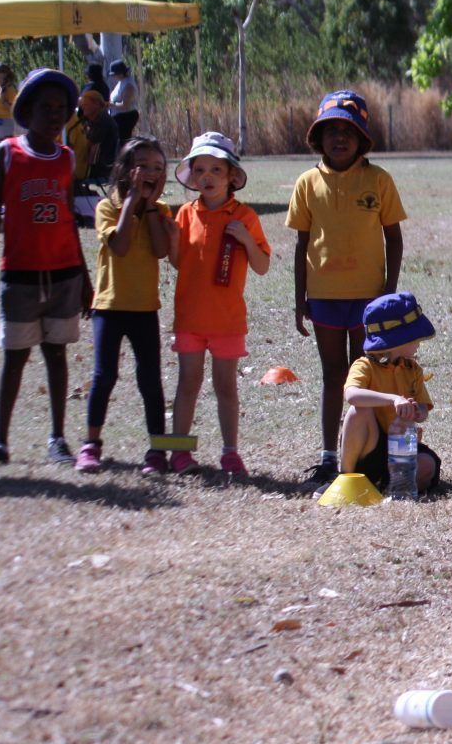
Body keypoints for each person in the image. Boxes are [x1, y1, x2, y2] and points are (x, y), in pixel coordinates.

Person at [288, 91, 406, 485]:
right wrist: (298, 299)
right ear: (317, 137)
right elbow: (301, 243)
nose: (340, 137)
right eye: (331, 130)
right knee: (332, 375)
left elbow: (395, 238)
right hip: (324, 299)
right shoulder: (307, 183)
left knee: (367, 376)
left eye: (348, 130)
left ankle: (368, 457)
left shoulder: (379, 180)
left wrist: (387, 293)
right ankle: (329, 457)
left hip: (369, 300)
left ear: (362, 138)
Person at [0, 69, 90, 465]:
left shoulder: (67, 157)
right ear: (27, 110)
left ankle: (57, 438)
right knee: (15, 357)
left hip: (63, 274)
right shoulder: (8, 152)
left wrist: (85, 277)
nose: (55, 115)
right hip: (19, 275)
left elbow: (68, 218)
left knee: (56, 355)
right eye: (46, 108)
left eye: (61, 108)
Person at [167, 131, 271, 476]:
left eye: (216, 170)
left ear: (231, 177)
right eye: (200, 170)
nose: (207, 177)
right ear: (192, 176)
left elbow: (262, 266)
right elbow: (178, 260)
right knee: (187, 384)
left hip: (227, 321)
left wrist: (244, 239)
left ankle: (230, 454)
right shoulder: (184, 214)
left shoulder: (245, 217)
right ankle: (179, 453)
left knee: (225, 387)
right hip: (190, 319)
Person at [76, 137, 174, 475]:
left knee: (150, 380)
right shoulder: (107, 207)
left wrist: (148, 208)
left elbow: (161, 250)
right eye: (143, 166)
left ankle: (158, 451)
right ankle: (91, 445)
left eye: (158, 169)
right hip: (109, 306)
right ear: (125, 171)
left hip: (145, 308)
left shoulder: (160, 212)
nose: (151, 173)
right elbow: (118, 246)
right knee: (104, 376)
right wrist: (132, 201)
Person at [336, 292, 442, 494]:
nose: (419, 343)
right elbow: (352, 395)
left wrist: (417, 412)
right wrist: (392, 399)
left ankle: (391, 486)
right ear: (398, 339)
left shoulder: (413, 369)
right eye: (415, 338)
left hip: (402, 446)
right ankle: (345, 480)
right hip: (370, 445)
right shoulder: (364, 366)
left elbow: (423, 408)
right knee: (359, 411)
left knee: (427, 465)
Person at [65, 89, 118, 185]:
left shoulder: (102, 121)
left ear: (96, 104)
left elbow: (88, 145)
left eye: (86, 105)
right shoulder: (89, 120)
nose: (83, 107)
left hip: (99, 168)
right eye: (82, 105)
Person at [107, 60, 139, 143]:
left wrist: (112, 104)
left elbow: (125, 105)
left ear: (120, 73)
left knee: (122, 141)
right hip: (118, 117)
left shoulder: (128, 85)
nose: (113, 77)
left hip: (126, 117)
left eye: (114, 74)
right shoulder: (121, 83)